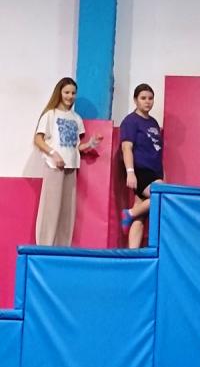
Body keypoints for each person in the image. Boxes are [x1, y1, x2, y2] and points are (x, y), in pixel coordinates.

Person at [34, 77, 103, 246]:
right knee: (51, 208)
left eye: (73, 93)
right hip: (54, 167)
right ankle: (45, 245)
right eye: (66, 92)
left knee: (67, 210)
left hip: (71, 167)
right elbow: (38, 139)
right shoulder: (50, 115)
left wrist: (91, 143)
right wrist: (53, 154)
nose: (70, 96)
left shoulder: (76, 118)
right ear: (59, 92)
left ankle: (62, 246)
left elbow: (76, 146)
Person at [120, 83, 164, 248]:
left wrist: (162, 174)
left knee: (141, 212)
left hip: (154, 171)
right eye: (143, 98)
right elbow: (126, 147)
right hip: (140, 169)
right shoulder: (131, 121)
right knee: (161, 195)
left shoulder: (153, 122)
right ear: (135, 100)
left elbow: (157, 151)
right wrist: (130, 172)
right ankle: (128, 213)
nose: (147, 101)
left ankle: (133, 252)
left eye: (150, 98)